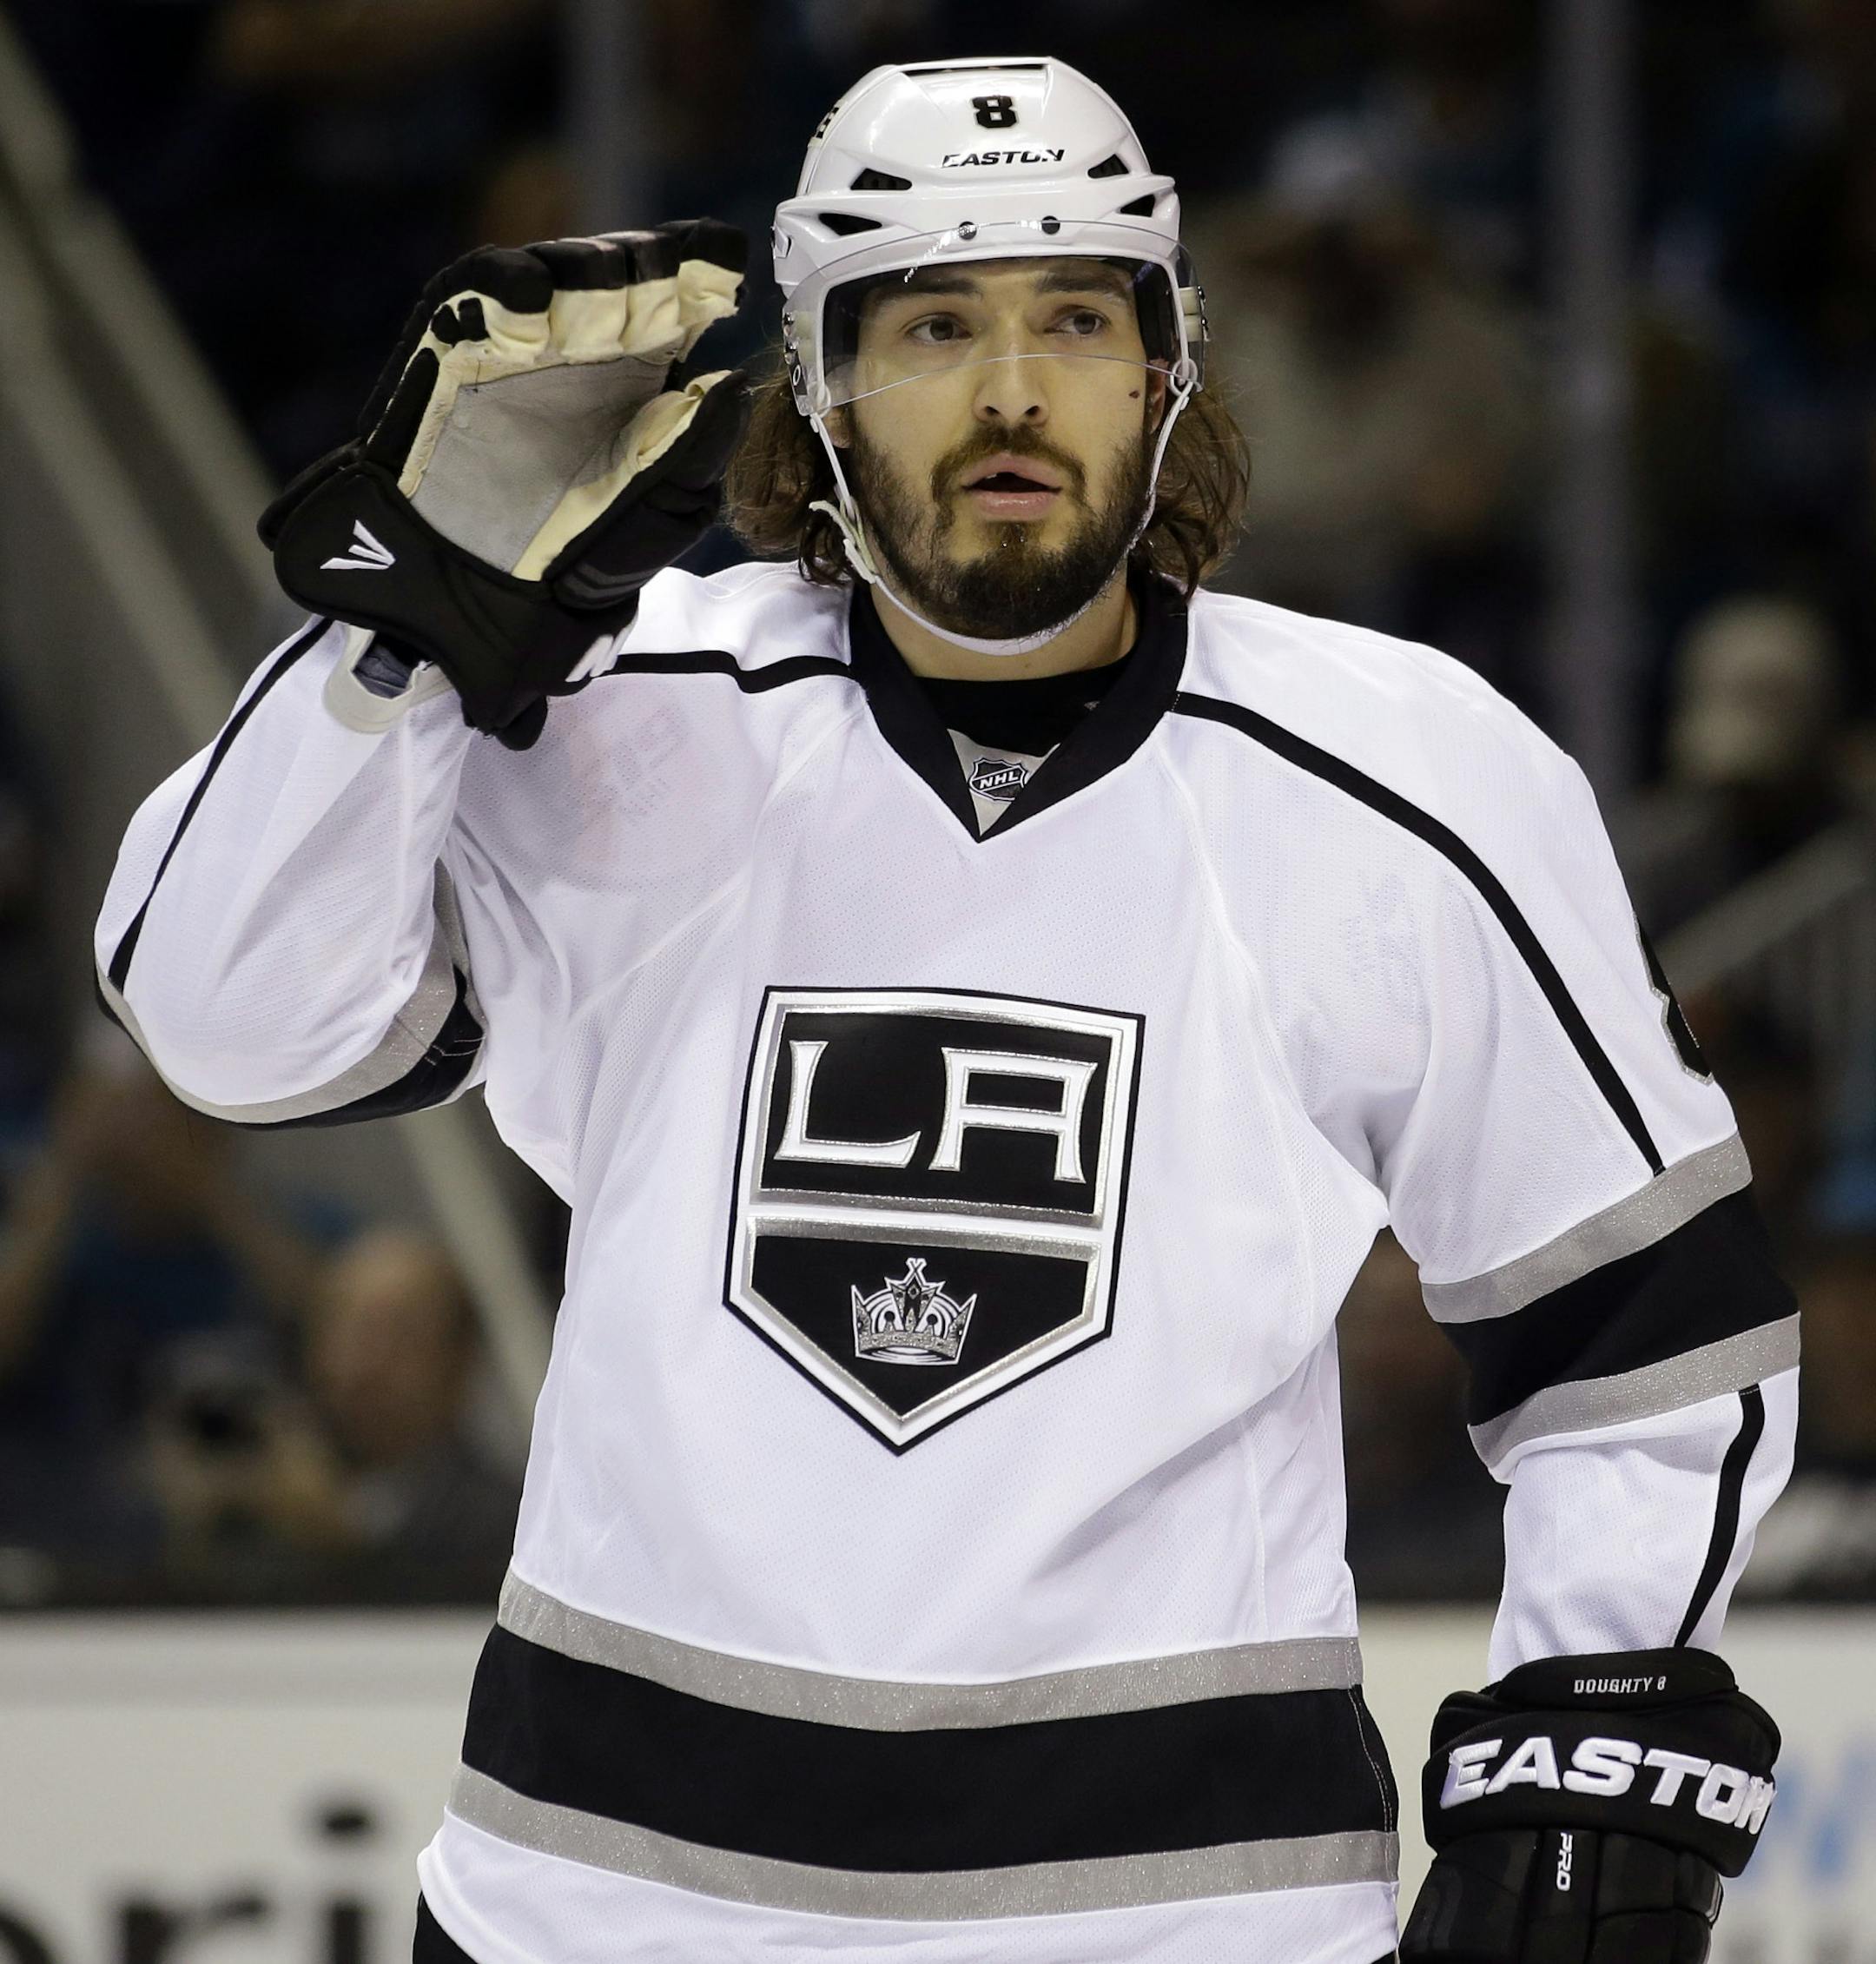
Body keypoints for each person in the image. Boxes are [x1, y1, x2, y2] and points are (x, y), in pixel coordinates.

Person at [96, 56, 1796, 1964]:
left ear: (1166, 369)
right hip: (601, 1912)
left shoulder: (1411, 775)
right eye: (930, 324)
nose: (1010, 390)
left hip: (1186, 1929)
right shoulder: (620, 707)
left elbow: (1651, 1343)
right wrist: (410, 618)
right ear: (818, 383)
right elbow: (224, 1019)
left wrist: (1592, 1742)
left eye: (1076, 317)